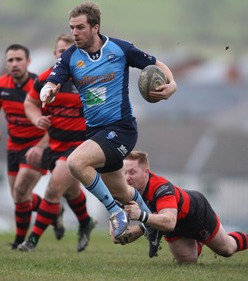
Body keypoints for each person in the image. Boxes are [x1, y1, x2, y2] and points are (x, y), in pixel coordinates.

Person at [40, 2, 177, 242]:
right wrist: (48, 91)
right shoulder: (71, 56)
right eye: (72, 28)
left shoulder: (120, 48)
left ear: (95, 27)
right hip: (96, 134)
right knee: (123, 192)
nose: (74, 33)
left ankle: (114, 212)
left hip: (121, 129)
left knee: (75, 162)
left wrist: (172, 84)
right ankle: (152, 227)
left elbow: (156, 64)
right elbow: (52, 80)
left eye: (80, 27)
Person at [114, 151, 248, 266]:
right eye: (125, 173)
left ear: (146, 172)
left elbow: (170, 222)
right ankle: (162, 231)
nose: (127, 178)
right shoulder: (124, 190)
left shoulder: (161, 188)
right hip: (170, 223)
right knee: (187, 262)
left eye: (133, 172)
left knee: (227, 249)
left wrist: (142, 218)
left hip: (195, 214)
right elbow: (116, 235)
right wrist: (118, 227)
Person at [19, 34, 97, 252]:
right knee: (71, 191)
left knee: (53, 190)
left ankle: (31, 241)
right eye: (62, 51)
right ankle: (86, 222)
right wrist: (37, 118)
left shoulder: (87, 80)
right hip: (55, 146)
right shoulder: (45, 79)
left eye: (71, 51)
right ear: (55, 54)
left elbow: (102, 108)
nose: (67, 55)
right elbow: (30, 103)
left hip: (80, 147)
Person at [0, 44, 65, 249]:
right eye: (10, 60)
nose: (14, 64)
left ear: (28, 62)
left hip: (39, 146)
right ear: (6, 64)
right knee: (19, 197)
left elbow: (55, 120)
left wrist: (41, 146)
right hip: (13, 146)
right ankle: (53, 211)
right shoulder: (0, 85)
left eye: (18, 59)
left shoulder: (40, 85)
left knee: (21, 190)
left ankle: (20, 242)